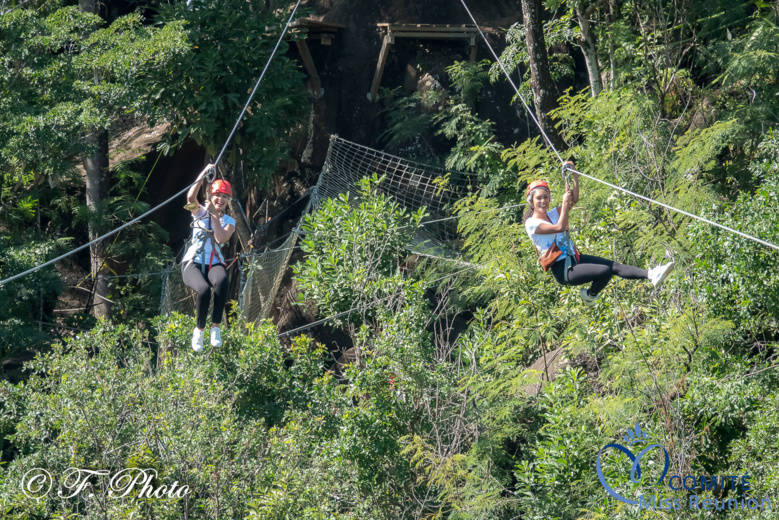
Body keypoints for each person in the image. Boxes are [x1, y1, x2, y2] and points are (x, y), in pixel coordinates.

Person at [523, 163, 674, 305]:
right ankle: (590, 295)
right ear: (531, 201)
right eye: (539, 198)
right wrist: (563, 203)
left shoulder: (553, 213)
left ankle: (651, 275)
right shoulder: (531, 224)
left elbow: (574, 199)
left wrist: (574, 174)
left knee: (613, 266)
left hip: (574, 257)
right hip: (563, 269)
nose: (543, 201)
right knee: (605, 271)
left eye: (546, 197)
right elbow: (560, 227)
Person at [182, 164, 235, 351]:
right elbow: (189, 197)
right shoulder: (197, 211)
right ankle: (199, 331)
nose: (220, 199)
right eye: (217, 196)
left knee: (221, 280)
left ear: (228, 201)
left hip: (214, 261)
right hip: (193, 262)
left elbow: (221, 238)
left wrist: (214, 215)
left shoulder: (229, 221)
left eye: (224, 197)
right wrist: (203, 173)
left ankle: (216, 328)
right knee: (203, 290)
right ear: (210, 196)